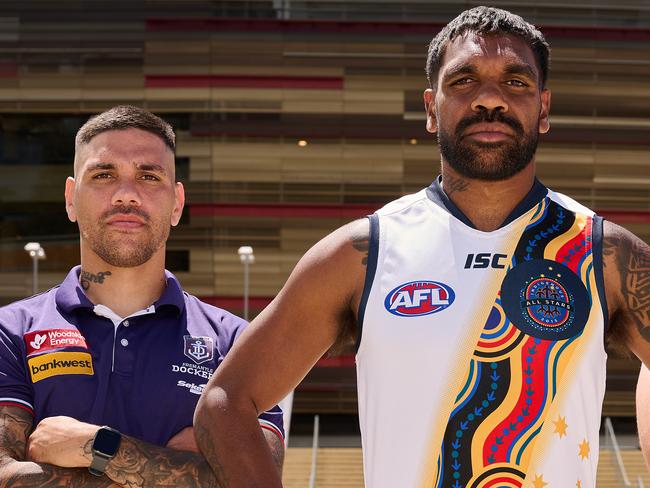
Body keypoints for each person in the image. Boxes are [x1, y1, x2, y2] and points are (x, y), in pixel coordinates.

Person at [194, 6, 650, 488]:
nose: (490, 99)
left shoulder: (605, 255)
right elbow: (225, 401)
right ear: (431, 110)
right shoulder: (363, 252)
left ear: (543, 110)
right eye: (464, 81)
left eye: (516, 82)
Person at [0, 105, 284, 486]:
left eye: (149, 176)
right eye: (103, 174)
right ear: (71, 198)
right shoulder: (10, 333)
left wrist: (98, 446)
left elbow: (256, 482)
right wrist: (185, 469)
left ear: (177, 203)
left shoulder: (236, 343)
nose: (126, 195)